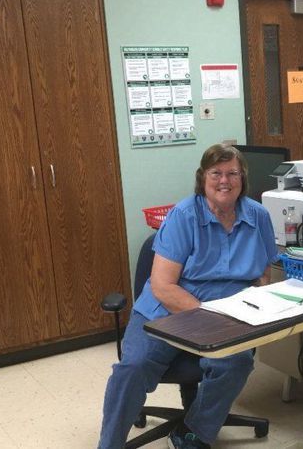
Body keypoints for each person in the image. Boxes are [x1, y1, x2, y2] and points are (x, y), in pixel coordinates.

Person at [98, 144, 278, 449]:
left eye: (232, 173)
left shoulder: (258, 216)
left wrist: (256, 308)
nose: (224, 180)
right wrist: (208, 320)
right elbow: (163, 286)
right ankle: (109, 444)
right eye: (216, 173)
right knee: (133, 367)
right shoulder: (183, 215)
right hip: (167, 310)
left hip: (229, 315)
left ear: (243, 178)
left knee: (236, 362)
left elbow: (262, 273)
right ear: (203, 177)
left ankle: (193, 432)